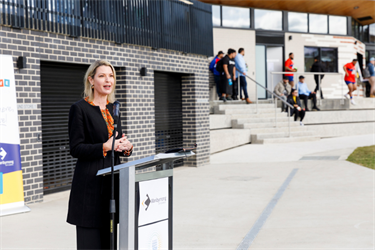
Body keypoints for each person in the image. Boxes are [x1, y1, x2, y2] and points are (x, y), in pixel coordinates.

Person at [67, 60, 134, 250]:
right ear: (91, 80)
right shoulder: (79, 109)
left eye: (111, 76)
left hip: (112, 186)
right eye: (102, 75)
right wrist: (105, 146)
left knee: (110, 243)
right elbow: (76, 148)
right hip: (90, 187)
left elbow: (117, 141)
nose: (108, 80)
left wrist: (126, 146)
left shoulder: (113, 109)